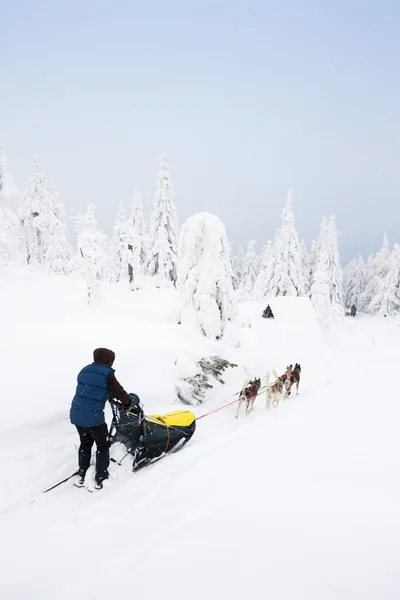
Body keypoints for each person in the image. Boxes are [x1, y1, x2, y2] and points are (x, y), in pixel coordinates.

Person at [70, 348, 130, 489]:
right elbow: (119, 391)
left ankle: (82, 471)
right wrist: (127, 403)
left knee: (85, 443)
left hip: (76, 415)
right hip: (93, 418)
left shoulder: (84, 370)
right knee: (102, 445)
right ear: (109, 360)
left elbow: (91, 389)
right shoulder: (107, 374)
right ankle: (101, 476)